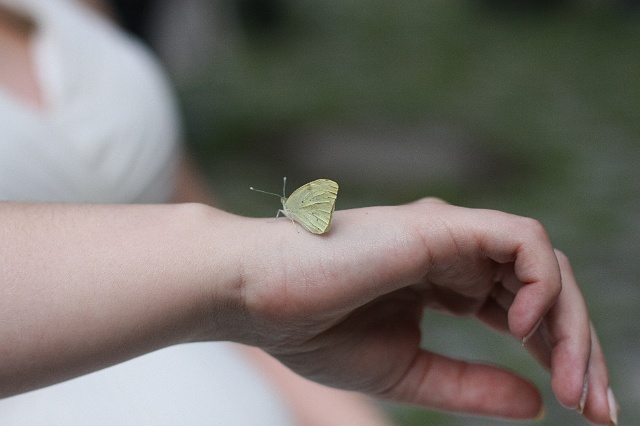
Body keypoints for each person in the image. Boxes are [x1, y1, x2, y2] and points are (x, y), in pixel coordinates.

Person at [0, 1, 617, 425]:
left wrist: (341, 409)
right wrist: (243, 273)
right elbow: (223, 266)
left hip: (246, 372)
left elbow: (182, 199)